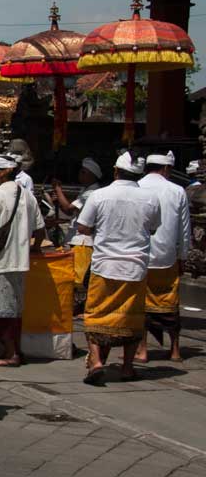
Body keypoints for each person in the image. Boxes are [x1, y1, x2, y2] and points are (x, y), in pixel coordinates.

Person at [77, 152, 161, 385]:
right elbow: (153, 228)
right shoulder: (151, 198)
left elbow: (83, 226)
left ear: (116, 171)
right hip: (135, 267)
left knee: (95, 313)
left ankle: (95, 361)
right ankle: (126, 367)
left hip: (104, 264)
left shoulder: (100, 195)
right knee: (131, 318)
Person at [0, 155, 45, 367]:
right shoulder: (27, 195)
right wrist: (33, 249)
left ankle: (11, 353)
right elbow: (40, 230)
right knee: (13, 311)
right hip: (20, 262)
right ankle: (14, 350)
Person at [137, 151, 191, 363]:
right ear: (166, 169)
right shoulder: (177, 191)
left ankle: (142, 350)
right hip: (167, 256)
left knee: (140, 304)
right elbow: (184, 229)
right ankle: (175, 349)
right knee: (170, 302)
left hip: (140, 256)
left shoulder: (137, 187)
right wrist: (183, 256)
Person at [51, 158, 103, 306]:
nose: (80, 175)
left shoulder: (92, 193)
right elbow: (69, 211)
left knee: (78, 278)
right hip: (77, 239)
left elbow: (68, 209)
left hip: (83, 240)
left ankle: (80, 305)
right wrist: (57, 199)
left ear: (91, 175)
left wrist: (59, 190)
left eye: (83, 172)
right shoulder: (85, 191)